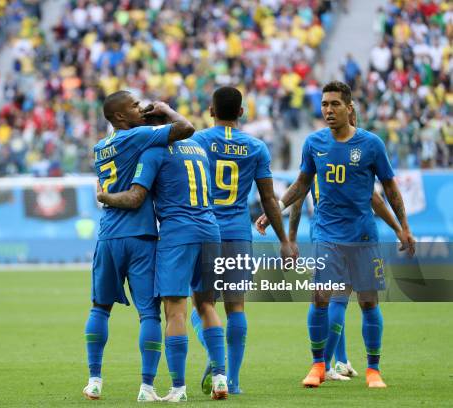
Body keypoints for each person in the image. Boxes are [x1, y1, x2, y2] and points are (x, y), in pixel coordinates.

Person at [256, 81, 414, 388]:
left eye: (335, 104)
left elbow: (389, 189)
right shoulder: (314, 143)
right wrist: (276, 206)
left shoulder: (371, 145)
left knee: (369, 303)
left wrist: (403, 227)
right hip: (327, 236)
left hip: (363, 237)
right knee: (320, 299)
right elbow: (301, 184)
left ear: (349, 108)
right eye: (325, 104)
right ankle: (318, 366)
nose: (328, 110)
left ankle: (373, 370)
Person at [96, 136, 227, 402]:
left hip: (178, 233)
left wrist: (104, 196)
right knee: (207, 306)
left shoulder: (154, 152)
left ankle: (178, 388)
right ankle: (221, 378)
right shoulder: (197, 148)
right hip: (211, 230)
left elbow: (136, 197)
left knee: (175, 311)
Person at [84, 91, 194, 401]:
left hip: (108, 236)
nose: (141, 109)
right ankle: (147, 387)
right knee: (149, 315)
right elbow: (185, 128)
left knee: (99, 308)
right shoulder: (138, 138)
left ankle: (94, 380)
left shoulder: (99, 148)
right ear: (119, 117)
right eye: (134, 106)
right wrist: (163, 110)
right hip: (142, 236)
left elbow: (110, 185)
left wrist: (106, 197)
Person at [189, 86, 293, 394]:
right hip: (237, 233)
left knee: (202, 303)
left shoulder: (197, 142)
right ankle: (231, 381)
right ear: (241, 112)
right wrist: (285, 239)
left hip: (205, 230)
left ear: (211, 111)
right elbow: (269, 199)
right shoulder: (257, 147)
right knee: (237, 308)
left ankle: (214, 357)